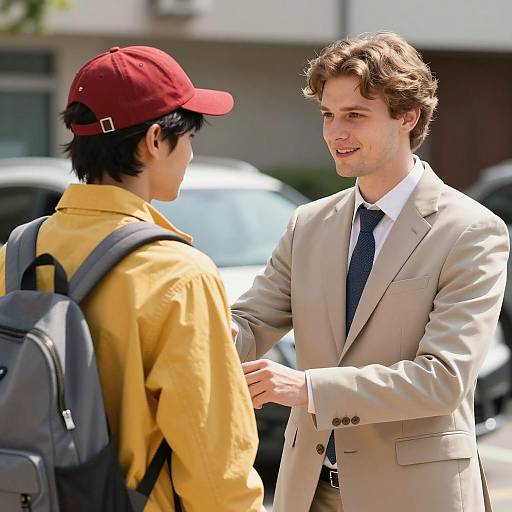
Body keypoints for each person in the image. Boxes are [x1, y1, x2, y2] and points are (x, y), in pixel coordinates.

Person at [231, 32, 509, 512]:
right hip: (307, 491)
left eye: (354, 115)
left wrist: (308, 388)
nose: (335, 131)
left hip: (414, 497)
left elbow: (442, 379)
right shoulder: (308, 224)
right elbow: (251, 324)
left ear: (408, 116)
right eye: (327, 115)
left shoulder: (472, 230)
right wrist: (185, 325)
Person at [0, 46, 265, 512]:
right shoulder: (178, 275)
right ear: (156, 140)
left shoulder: (15, 253)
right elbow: (213, 463)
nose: (191, 153)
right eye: (188, 136)